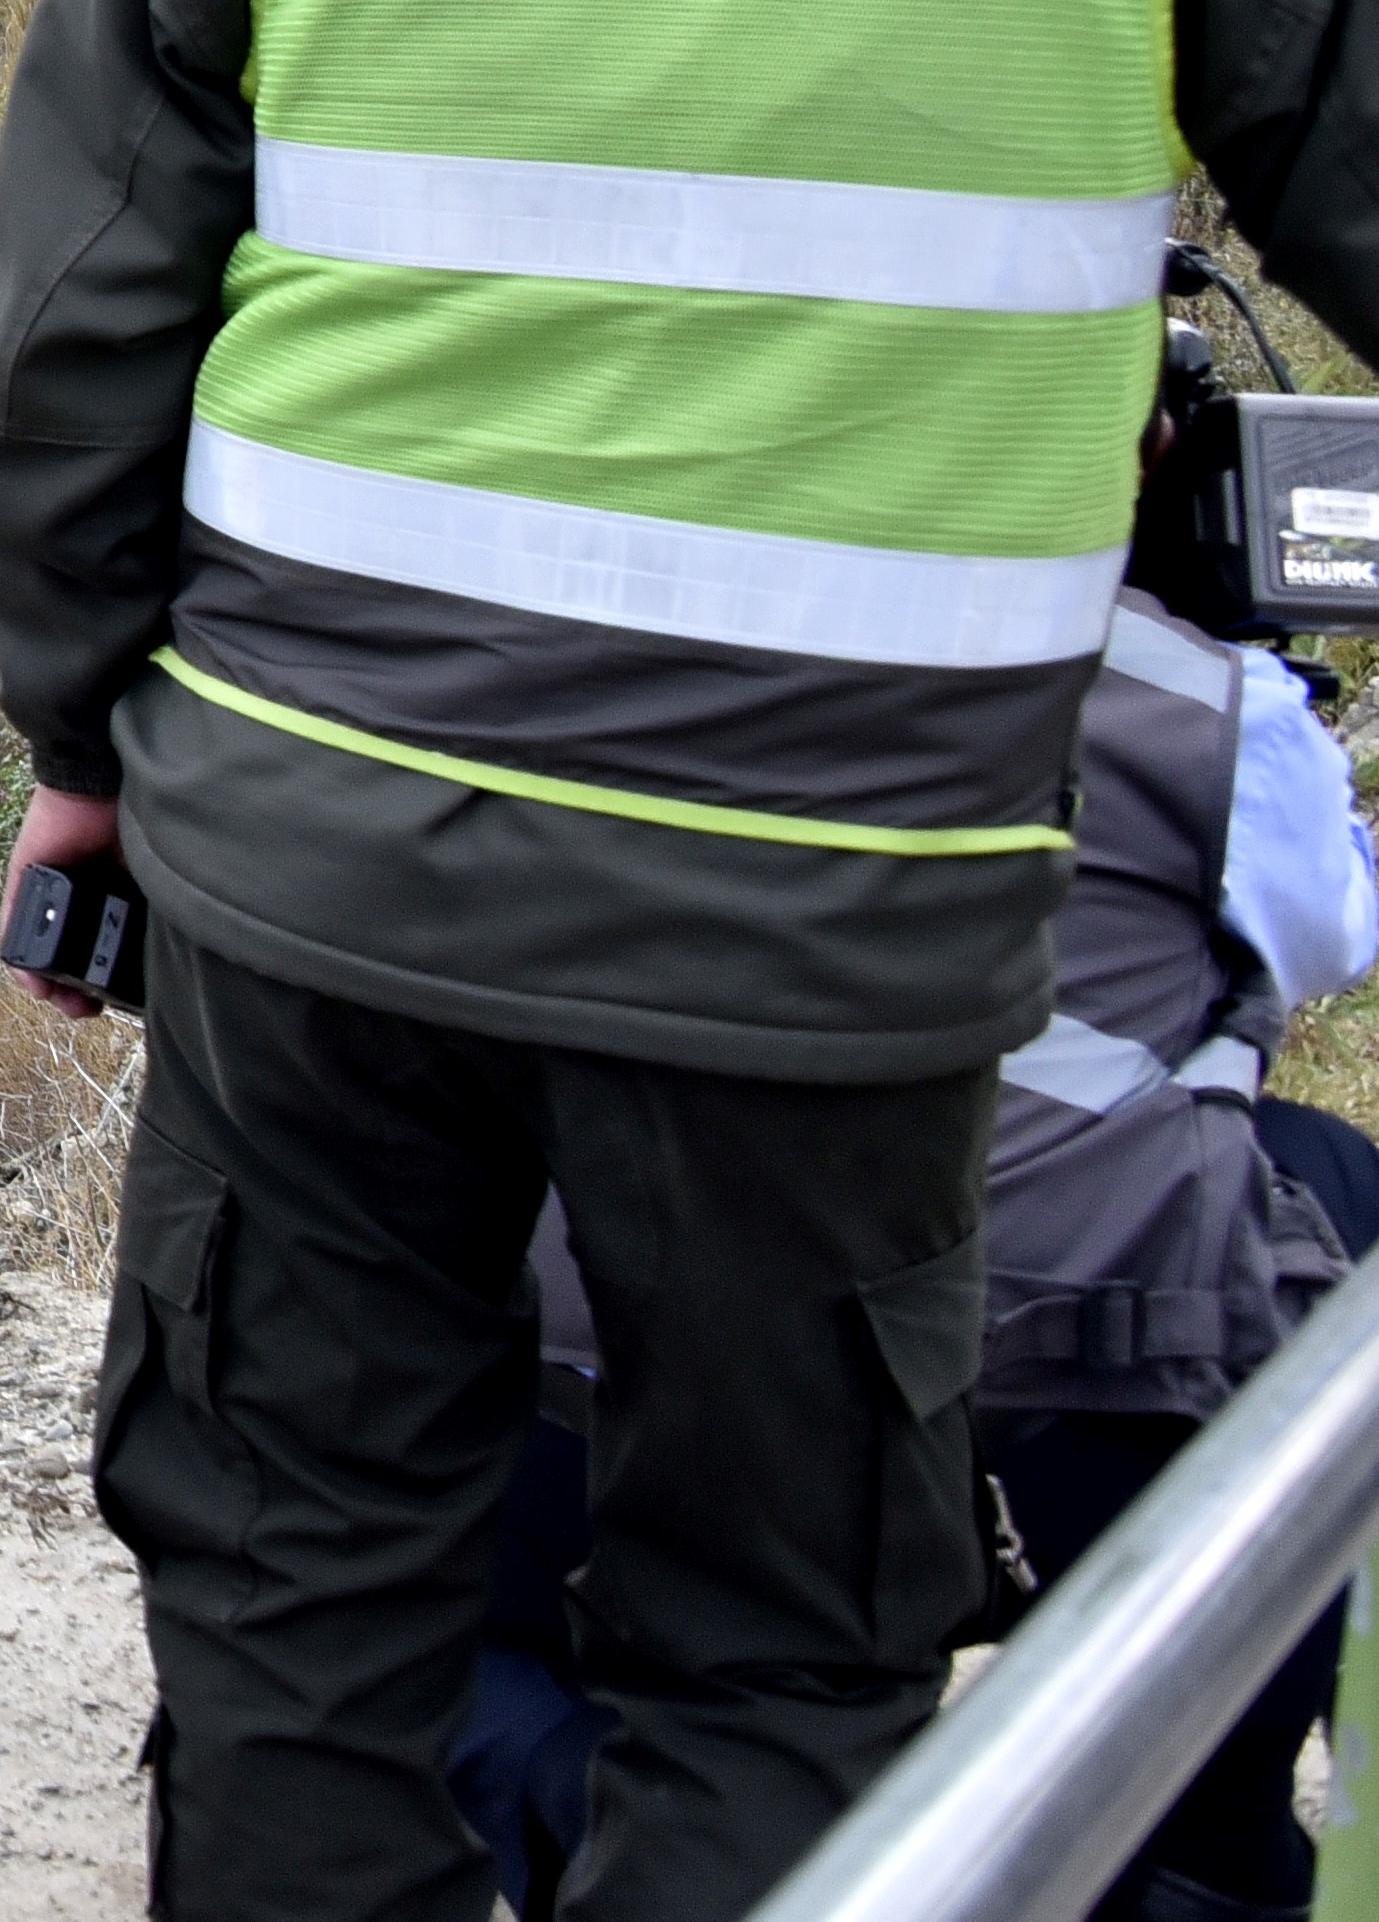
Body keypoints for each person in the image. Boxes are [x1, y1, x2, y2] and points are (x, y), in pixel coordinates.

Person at [0, 0, 1379, 1922]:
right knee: (773, 1642)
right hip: (840, 935)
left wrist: (84, 737)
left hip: (316, 889)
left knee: (294, 1598)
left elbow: (78, 329)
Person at [454, 529, 1379, 1922]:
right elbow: (1333, 930)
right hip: (1066, 1393)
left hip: (628, 1405)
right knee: (1319, 1178)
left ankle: (623, 1817)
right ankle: (1190, 1837)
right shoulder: (1199, 708)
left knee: (416, 1627)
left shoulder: (534, 640)